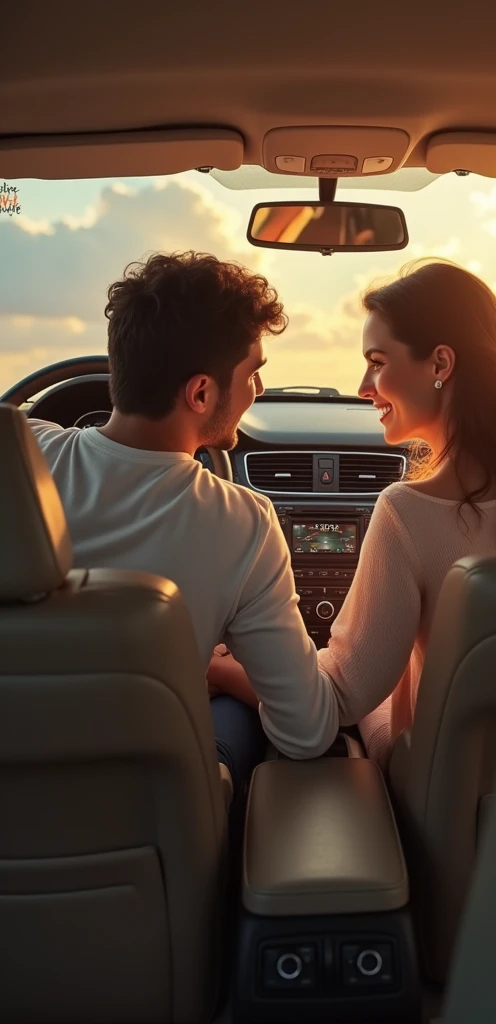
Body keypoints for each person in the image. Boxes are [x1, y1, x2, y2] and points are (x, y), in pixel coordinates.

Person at [211, 260, 496, 767]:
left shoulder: (409, 510)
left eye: (378, 361)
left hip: (444, 793)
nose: (364, 386)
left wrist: (226, 671)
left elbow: (337, 696)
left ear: (440, 364)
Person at [29, 251, 343, 786]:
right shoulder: (243, 524)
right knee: (238, 714)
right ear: (200, 393)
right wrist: (215, 670)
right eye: (253, 374)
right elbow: (307, 733)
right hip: (143, 828)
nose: (258, 392)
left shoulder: (22, 458)